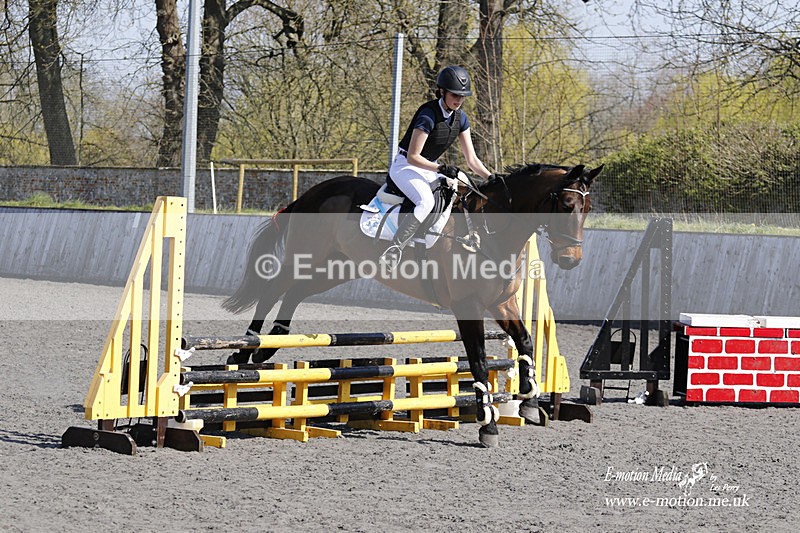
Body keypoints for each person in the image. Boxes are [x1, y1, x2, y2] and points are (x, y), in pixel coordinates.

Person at [379, 65, 493, 269]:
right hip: (405, 166)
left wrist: (491, 178)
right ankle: (395, 249)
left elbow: (472, 161)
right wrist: (440, 168)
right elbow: (413, 156)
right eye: (454, 95)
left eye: (462, 96)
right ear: (442, 91)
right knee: (425, 202)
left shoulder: (461, 118)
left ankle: (431, 241)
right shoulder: (428, 114)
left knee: (460, 190)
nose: (458, 100)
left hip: (427, 168)